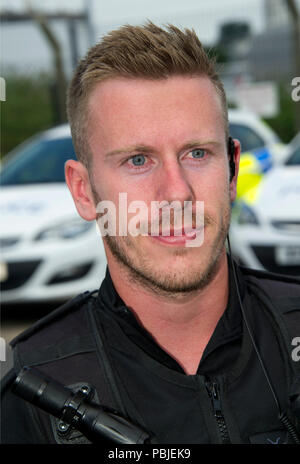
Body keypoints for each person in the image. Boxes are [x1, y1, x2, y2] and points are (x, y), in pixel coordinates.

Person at [1, 22, 300, 445]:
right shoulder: (27, 386)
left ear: (232, 170)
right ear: (83, 191)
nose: (177, 192)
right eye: (138, 160)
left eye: (197, 153)